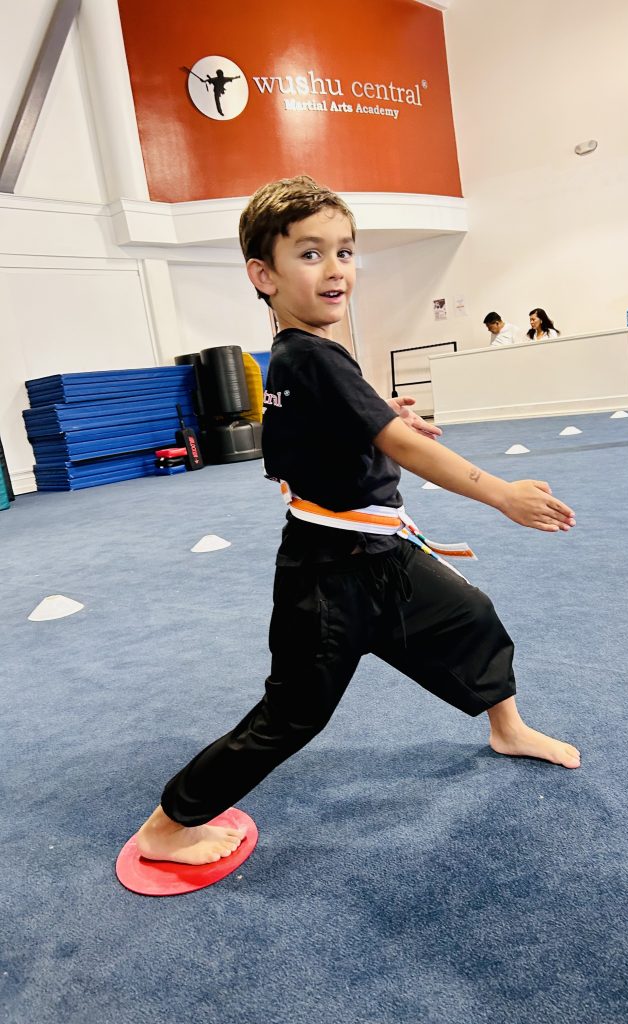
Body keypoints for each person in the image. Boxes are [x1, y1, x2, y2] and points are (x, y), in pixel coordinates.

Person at [133, 175, 580, 868]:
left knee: (471, 617)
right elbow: (402, 449)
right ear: (264, 275)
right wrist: (501, 494)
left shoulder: (299, 354)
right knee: (293, 715)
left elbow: (312, 434)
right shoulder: (310, 356)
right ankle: (168, 825)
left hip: (381, 555)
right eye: (310, 254)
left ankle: (508, 729)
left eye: (344, 251)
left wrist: (377, 415)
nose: (336, 268)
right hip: (327, 576)